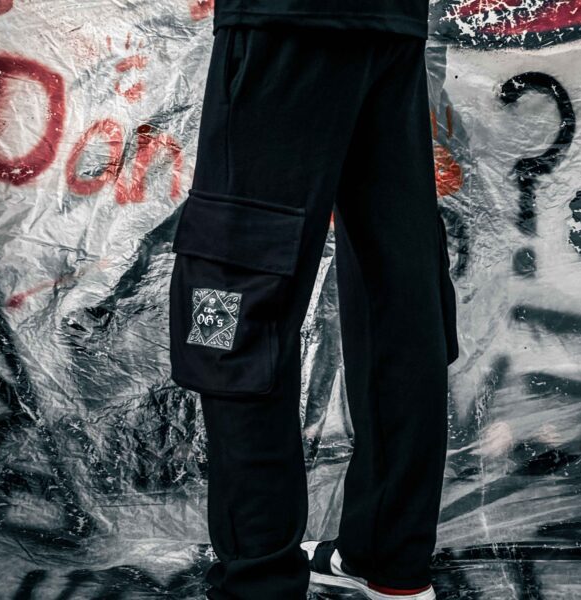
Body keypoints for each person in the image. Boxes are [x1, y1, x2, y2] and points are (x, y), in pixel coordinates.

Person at [168, 1, 460, 598]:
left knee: (235, 300)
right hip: (394, 22)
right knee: (399, 288)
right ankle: (392, 564)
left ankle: (259, 585)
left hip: (283, 22)